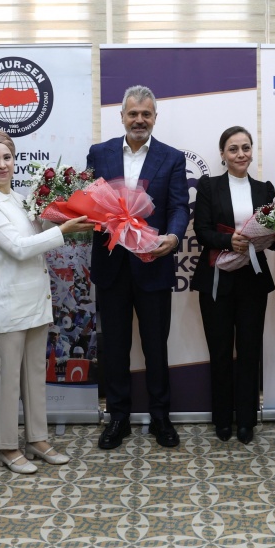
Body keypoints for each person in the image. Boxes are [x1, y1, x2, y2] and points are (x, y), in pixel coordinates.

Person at [0, 129, 94, 473]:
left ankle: (37, 439)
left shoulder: (18, 198)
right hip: (5, 305)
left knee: (34, 375)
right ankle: (7, 447)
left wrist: (58, 211)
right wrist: (62, 231)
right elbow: (19, 248)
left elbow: (36, 234)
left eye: (7, 157)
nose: (2, 165)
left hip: (35, 301)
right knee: (8, 380)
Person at [86, 85, 190, 450]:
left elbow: (179, 206)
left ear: (155, 118)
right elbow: (88, 201)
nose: (139, 120)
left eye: (146, 114)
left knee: (155, 346)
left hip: (153, 264)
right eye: (133, 114)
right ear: (122, 117)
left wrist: (174, 237)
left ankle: (160, 416)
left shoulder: (171, 158)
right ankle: (118, 418)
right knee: (115, 347)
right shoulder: (99, 153)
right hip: (111, 265)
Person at [191, 126, 275, 445]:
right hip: (217, 280)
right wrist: (230, 241)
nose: (241, 154)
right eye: (233, 149)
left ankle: (246, 420)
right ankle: (222, 419)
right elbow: (201, 231)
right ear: (223, 154)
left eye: (245, 147)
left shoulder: (264, 189)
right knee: (220, 352)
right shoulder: (208, 186)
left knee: (249, 351)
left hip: (252, 281)